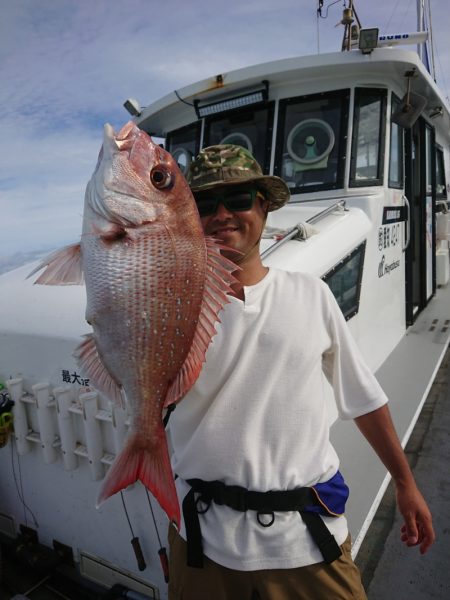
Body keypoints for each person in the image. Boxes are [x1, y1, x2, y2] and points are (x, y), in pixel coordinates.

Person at [166, 144, 435, 600]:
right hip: (201, 541)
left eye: (238, 199)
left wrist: (406, 485)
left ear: (264, 205)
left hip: (306, 539)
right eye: (206, 204)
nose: (222, 214)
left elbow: (364, 399)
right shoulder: (172, 308)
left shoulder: (310, 293)